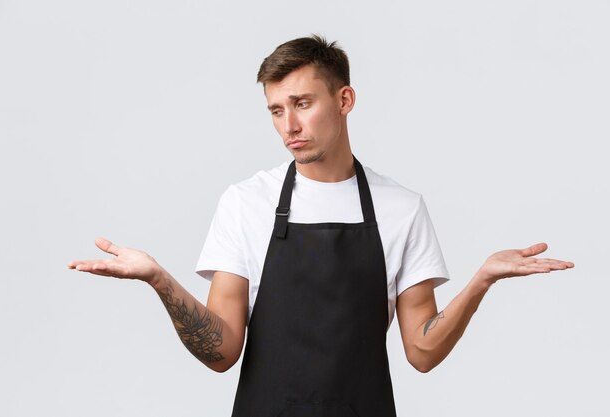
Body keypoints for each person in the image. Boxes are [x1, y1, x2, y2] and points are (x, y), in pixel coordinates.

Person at [68, 35, 574, 417]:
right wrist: (160, 280)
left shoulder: (400, 208)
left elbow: (421, 351)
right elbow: (222, 351)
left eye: (303, 104)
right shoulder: (247, 202)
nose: (289, 125)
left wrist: (481, 280)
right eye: (276, 110)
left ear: (345, 100)